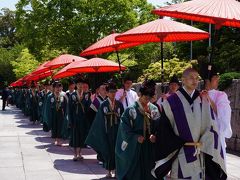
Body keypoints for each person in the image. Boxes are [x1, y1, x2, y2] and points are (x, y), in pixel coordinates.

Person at [152, 68, 227, 180]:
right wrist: (176, 143)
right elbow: (165, 129)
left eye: (197, 78)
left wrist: (204, 142)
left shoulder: (203, 99)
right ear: (183, 80)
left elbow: (211, 126)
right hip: (179, 151)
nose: (195, 81)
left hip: (199, 151)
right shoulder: (171, 101)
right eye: (191, 77)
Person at [115, 79, 160, 180]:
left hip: (149, 145)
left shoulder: (154, 109)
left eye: (149, 98)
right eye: (145, 97)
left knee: (150, 170)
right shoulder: (130, 110)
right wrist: (135, 137)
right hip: (135, 146)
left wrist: (155, 135)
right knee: (135, 172)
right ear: (139, 94)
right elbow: (124, 128)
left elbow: (159, 126)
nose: (147, 100)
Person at [86, 82, 124, 178]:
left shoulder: (119, 104)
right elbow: (99, 119)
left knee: (117, 151)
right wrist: (101, 132)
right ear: (107, 93)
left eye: (114, 92)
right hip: (107, 131)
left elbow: (123, 119)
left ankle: (116, 170)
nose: (113, 94)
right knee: (108, 151)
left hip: (117, 132)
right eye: (111, 92)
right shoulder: (103, 105)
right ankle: (108, 171)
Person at [207, 72, 232, 162]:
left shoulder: (220, 95)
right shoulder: (198, 94)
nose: (218, 80)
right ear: (207, 80)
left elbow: (222, 114)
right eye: (215, 78)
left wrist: (209, 99)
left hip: (216, 132)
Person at [68, 78, 91, 161]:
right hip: (75, 119)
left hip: (83, 119)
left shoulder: (86, 95)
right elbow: (69, 109)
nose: (80, 86)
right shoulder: (72, 95)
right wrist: (70, 120)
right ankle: (75, 154)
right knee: (75, 136)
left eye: (81, 84)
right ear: (76, 86)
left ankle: (80, 153)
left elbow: (89, 107)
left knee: (82, 136)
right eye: (78, 84)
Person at [45, 81, 67, 146]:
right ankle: (55, 139)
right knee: (54, 126)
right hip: (53, 113)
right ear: (53, 88)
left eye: (59, 87)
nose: (58, 88)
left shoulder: (63, 95)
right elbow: (47, 107)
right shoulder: (50, 96)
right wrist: (48, 116)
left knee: (60, 126)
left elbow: (65, 105)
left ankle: (58, 140)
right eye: (56, 87)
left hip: (61, 113)